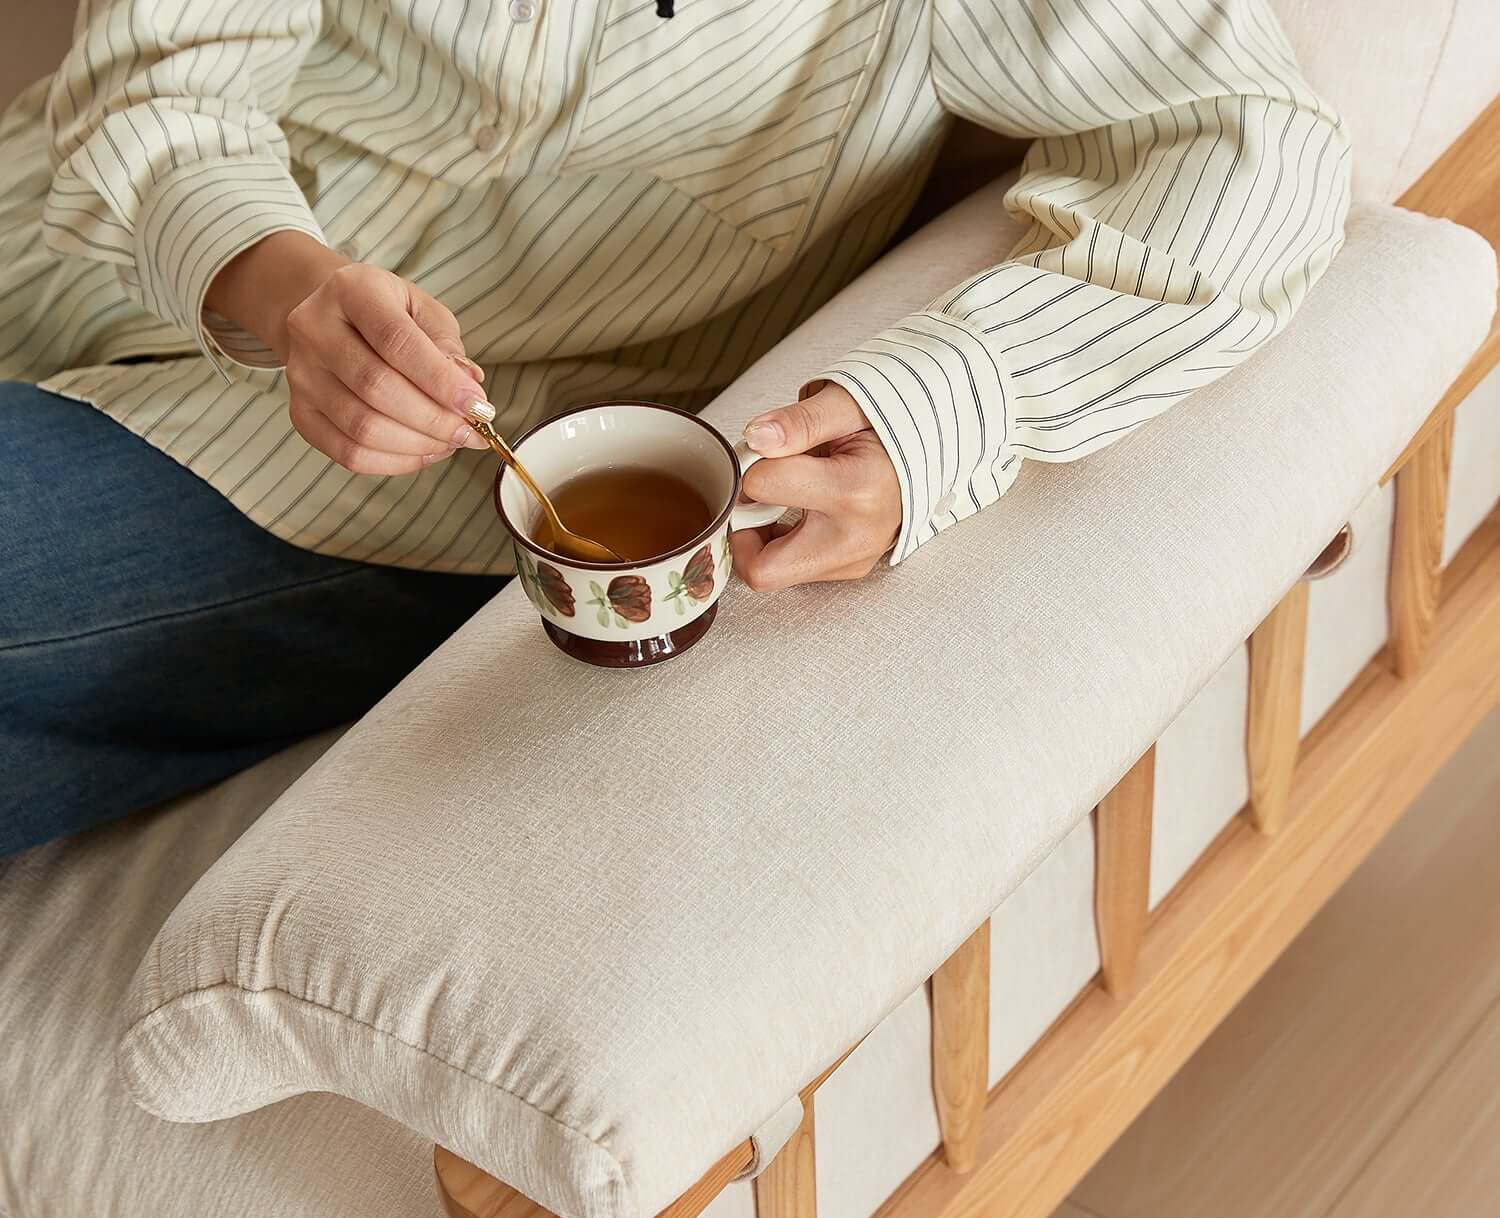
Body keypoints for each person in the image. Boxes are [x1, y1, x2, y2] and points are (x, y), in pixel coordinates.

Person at [0, 0, 1349, 856]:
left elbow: (1256, 141)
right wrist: (284, 284)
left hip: (393, 482)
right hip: (73, 252)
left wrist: (944, 407)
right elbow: (156, 76)